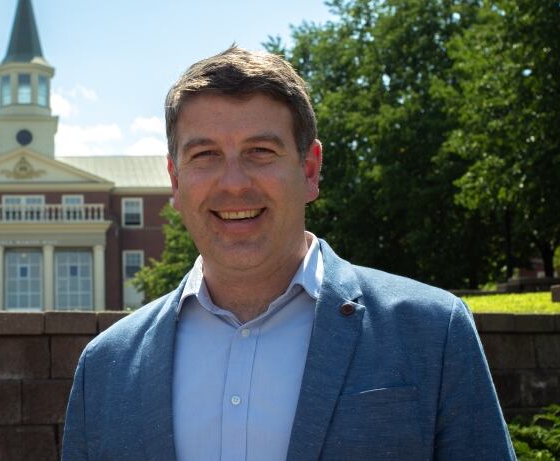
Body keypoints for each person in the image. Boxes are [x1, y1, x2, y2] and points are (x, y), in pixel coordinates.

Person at [62, 46, 516, 461]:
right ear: (176, 182)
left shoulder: (433, 332)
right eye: (205, 155)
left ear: (310, 170)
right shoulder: (105, 367)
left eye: (260, 151)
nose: (234, 183)